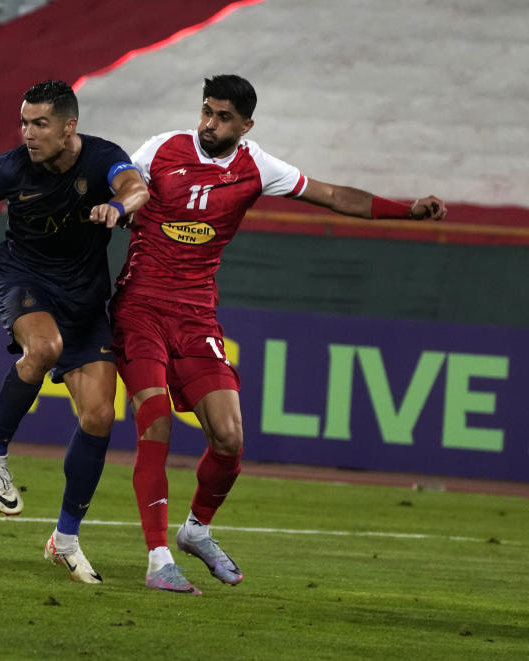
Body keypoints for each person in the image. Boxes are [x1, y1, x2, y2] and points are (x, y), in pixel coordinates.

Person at [110, 74, 447, 595]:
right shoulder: (162, 149)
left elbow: (333, 195)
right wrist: (122, 209)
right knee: (154, 421)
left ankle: (196, 530)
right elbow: (125, 186)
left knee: (229, 437)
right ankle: (157, 560)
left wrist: (407, 210)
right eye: (206, 111)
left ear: (245, 126)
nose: (209, 124)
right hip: (141, 307)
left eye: (223, 117)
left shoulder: (257, 166)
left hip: (197, 317)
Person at [0, 80, 149, 584]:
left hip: (84, 300)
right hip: (24, 280)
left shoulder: (104, 157)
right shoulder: (10, 168)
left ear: (68, 127)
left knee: (102, 415)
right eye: (24, 122)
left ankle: (65, 539)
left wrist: (118, 208)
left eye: (39, 124)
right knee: (44, 347)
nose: (29, 133)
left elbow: (136, 187)